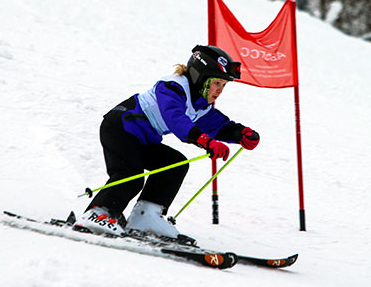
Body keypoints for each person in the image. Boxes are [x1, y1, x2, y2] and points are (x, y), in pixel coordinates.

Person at [73, 45, 260, 240]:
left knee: (174, 164)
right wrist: (205, 141)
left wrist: (241, 134)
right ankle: (97, 213)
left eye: (223, 85)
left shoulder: (201, 105)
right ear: (200, 76)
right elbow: (175, 118)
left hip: (141, 138)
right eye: (216, 83)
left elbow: (218, 125)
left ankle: (145, 217)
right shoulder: (173, 86)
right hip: (120, 128)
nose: (220, 91)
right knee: (131, 175)